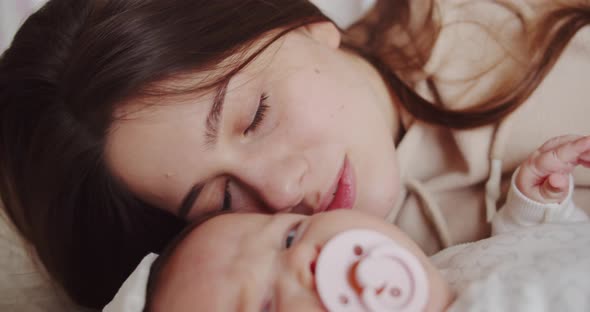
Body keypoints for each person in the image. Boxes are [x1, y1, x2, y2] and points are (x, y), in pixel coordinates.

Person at [1, 0, 590, 308]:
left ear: (307, 23)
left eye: (255, 115)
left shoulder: (503, 19)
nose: (281, 193)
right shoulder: (334, 284)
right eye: (222, 201)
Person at [104, 135, 590, 312]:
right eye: (269, 306)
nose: (304, 262)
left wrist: (537, 209)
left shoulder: (445, 266)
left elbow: (531, 252)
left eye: (290, 235)